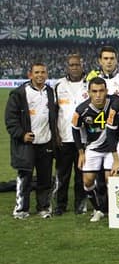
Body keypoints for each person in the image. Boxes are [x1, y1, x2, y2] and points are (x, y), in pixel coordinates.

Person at [5, 62, 57, 219]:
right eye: (37, 72)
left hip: (46, 142)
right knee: (24, 177)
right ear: (30, 75)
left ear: (46, 74)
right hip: (26, 144)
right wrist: (22, 134)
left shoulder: (50, 92)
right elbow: (10, 119)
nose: (40, 75)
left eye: (43, 72)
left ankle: (44, 208)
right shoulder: (20, 93)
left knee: (45, 178)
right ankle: (21, 209)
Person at [72, 77, 114, 222]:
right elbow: (75, 129)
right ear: (89, 92)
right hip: (93, 148)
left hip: (111, 149)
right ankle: (98, 209)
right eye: (94, 91)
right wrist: (80, 152)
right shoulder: (81, 110)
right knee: (88, 181)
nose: (98, 95)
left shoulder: (115, 103)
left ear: (106, 91)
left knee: (111, 179)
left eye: (101, 91)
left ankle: (113, 209)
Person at [52, 54, 88, 215]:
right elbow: (53, 112)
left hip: (84, 138)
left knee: (81, 175)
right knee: (62, 175)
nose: (74, 67)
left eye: (77, 64)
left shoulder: (90, 83)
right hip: (64, 138)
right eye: (71, 65)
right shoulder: (58, 85)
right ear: (67, 66)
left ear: (82, 65)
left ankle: (80, 205)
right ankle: (60, 205)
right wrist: (56, 134)